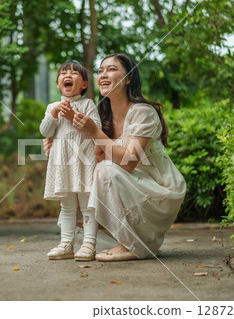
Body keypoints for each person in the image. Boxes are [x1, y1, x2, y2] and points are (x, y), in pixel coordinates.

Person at [44, 53, 186, 261]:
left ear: (128, 78)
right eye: (100, 70)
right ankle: (110, 241)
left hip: (156, 190)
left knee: (104, 170)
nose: (103, 74)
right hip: (129, 188)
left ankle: (129, 244)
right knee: (76, 192)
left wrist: (94, 133)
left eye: (111, 69)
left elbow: (128, 162)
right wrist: (57, 141)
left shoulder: (142, 113)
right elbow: (89, 153)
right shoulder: (102, 117)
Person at [40, 61, 102, 261]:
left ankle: (89, 244)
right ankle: (66, 244)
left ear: (84, 84)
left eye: (74, 73)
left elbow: (95, 128)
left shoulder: (88, 104)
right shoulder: (52, 107)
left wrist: (73, 114)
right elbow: (45, 131)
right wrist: (54, 113)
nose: (68, 75)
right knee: (66, 207)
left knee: (87, 206)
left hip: (83, 162)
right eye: (64, 73)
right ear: (58, 84)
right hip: (62, 164)